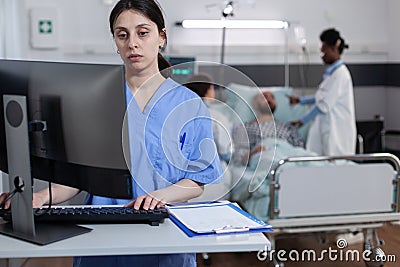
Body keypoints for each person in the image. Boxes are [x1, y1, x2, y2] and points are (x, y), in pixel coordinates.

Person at [1, 0, 223, 266]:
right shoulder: (91, 101)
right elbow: (79, 176)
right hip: (102, 236)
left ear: (161, 37)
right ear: (115, 42)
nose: (132, 43)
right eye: (122, 35)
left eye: (143, 32)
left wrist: (159, 196)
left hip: (164, 234)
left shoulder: (188, 104)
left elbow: (198, 180)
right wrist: (39, 197)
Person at [288, 28, 356, 156]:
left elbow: (323, 104)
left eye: (323, 52)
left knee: (336, 166)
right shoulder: (332, 74)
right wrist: (300, 101)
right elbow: (321, 96)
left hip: (337, 132)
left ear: (333, 49)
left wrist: (302, 121)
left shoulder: (340, 75)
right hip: (327, 127)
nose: (322, 56)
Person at [186, 73, 232, 201]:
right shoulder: (217, 117)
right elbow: (226, 151)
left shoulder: (179, 114)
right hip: (212, 185)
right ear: (209, 89)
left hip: (182, 185)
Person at [232, 90, 304, 166]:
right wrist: (253, 153)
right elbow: (238, 157)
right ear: (255, 104)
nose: (269, 99)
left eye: (272, 97)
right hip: (265, 155)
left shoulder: (287, 127)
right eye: (265, 97)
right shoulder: (244, 128)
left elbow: (300, 150)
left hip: (289, 155)